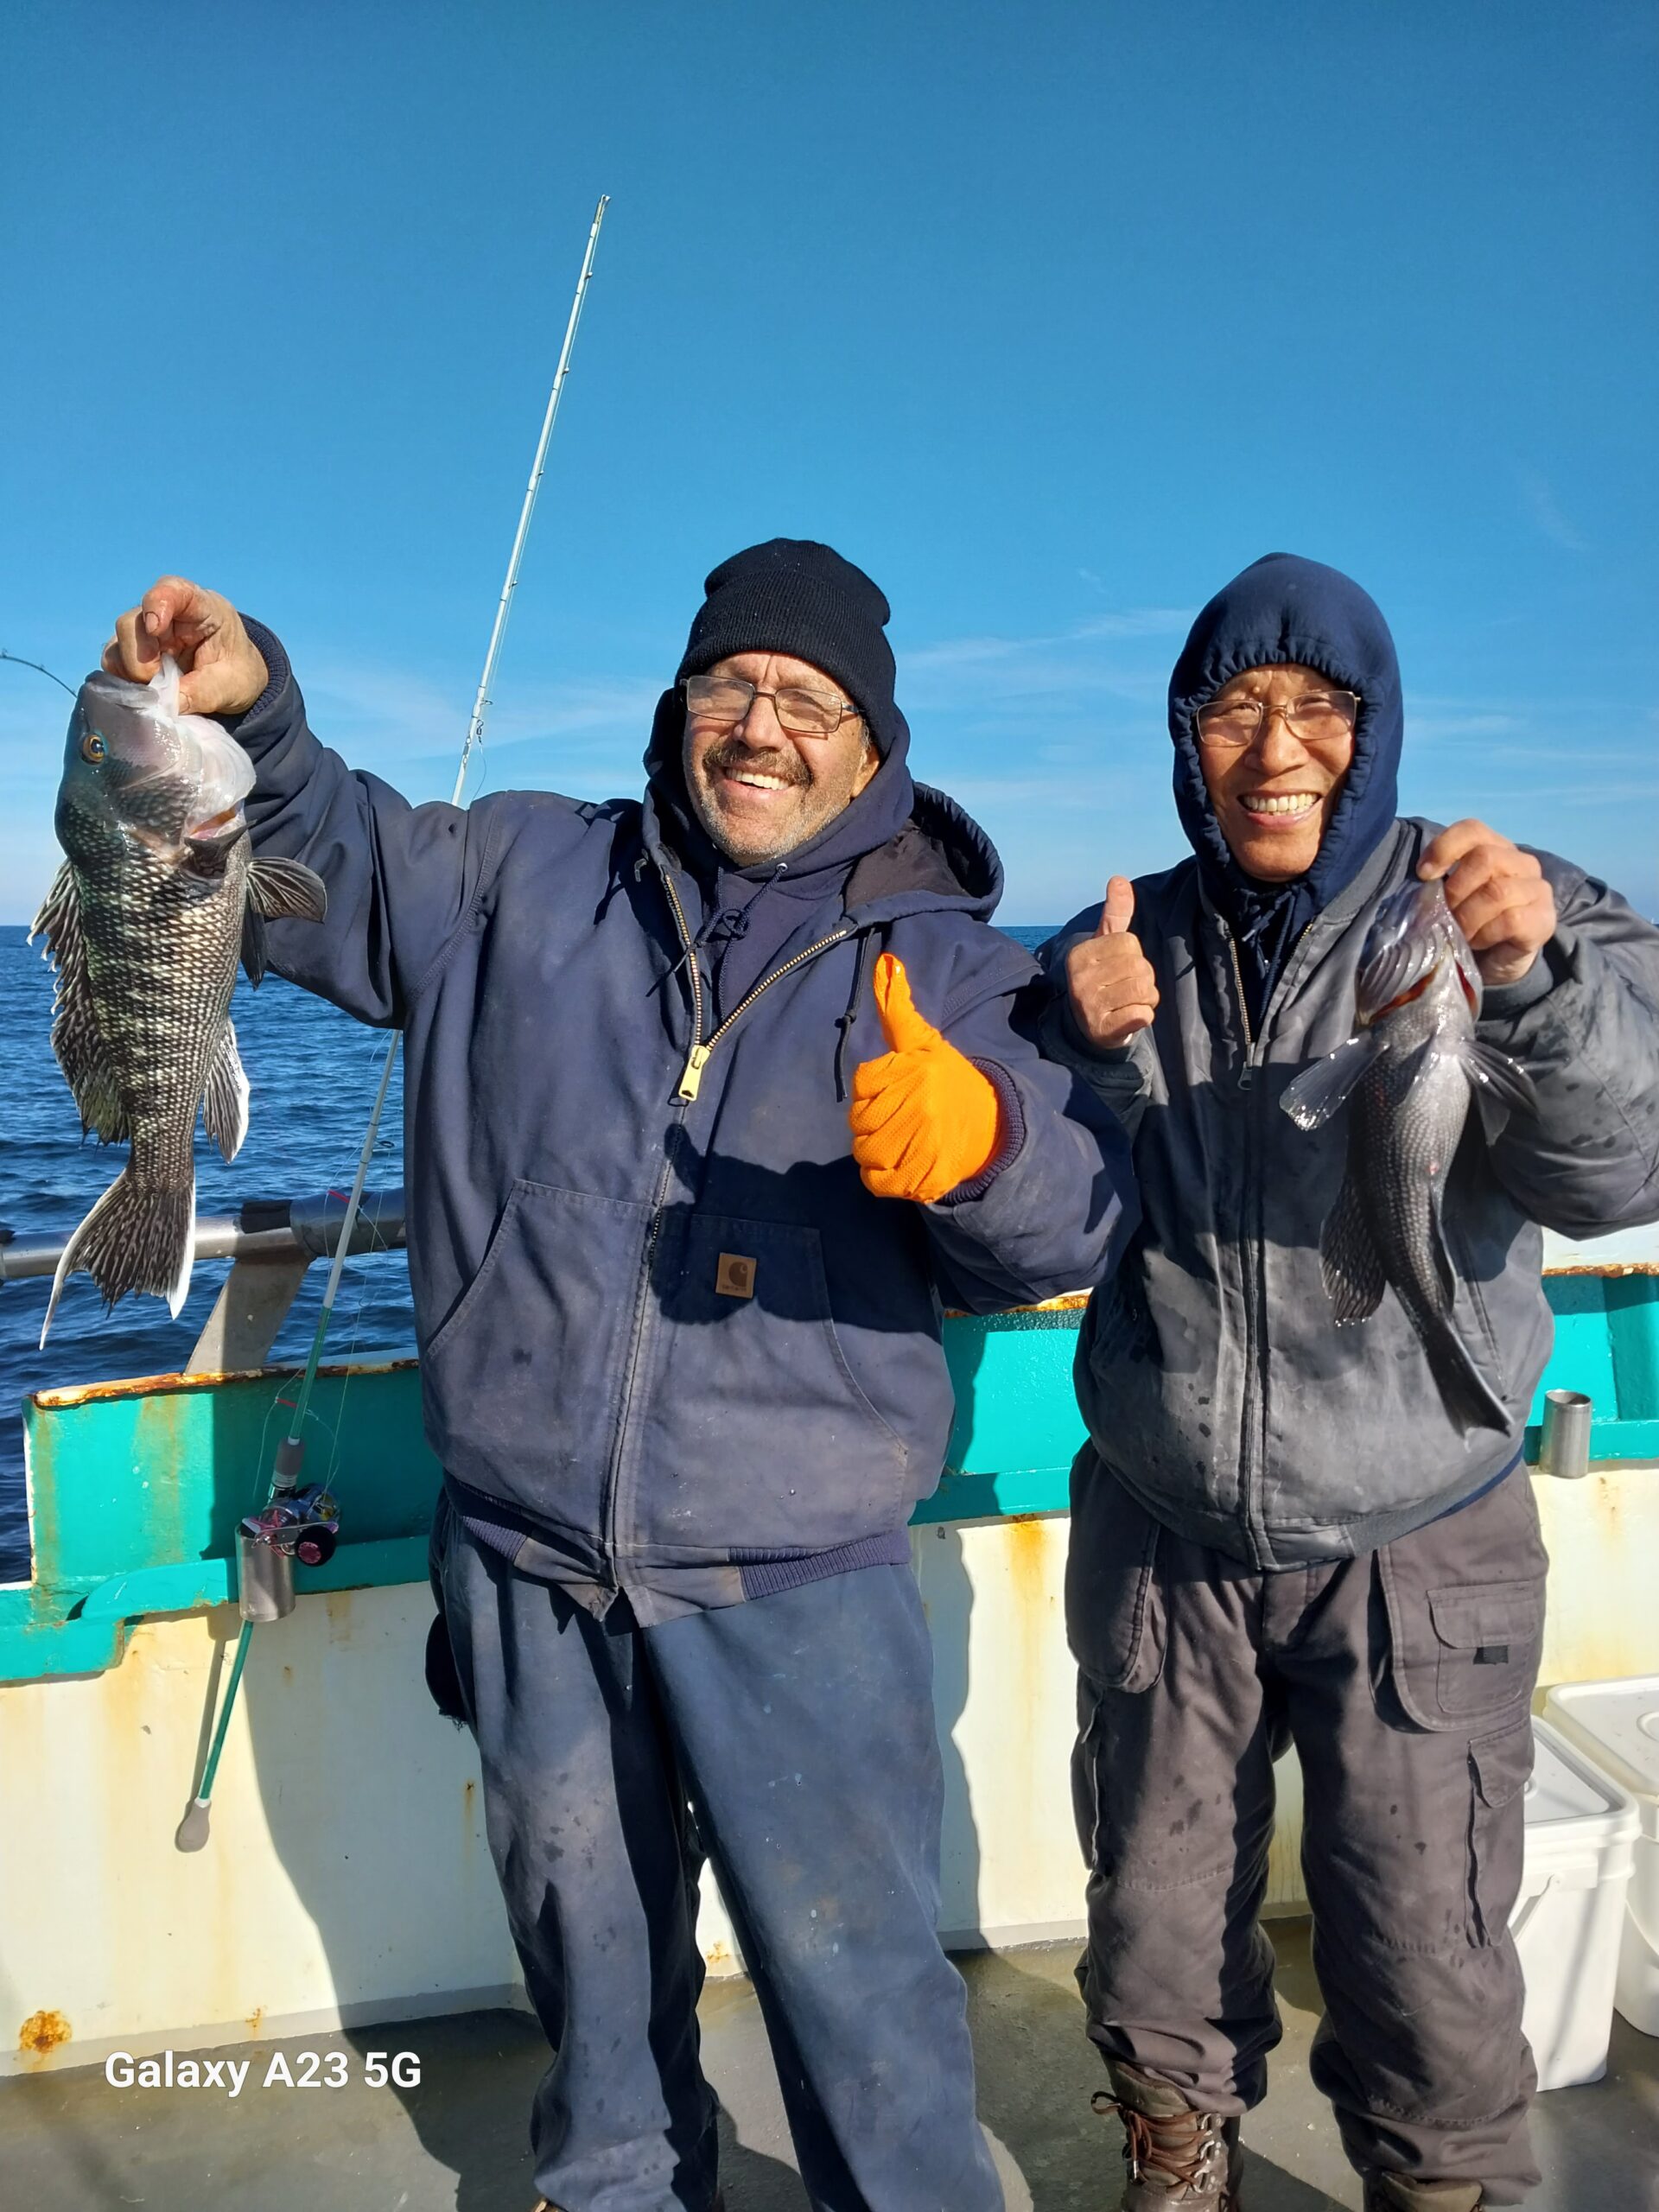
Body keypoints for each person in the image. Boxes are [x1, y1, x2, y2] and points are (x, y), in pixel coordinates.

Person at [104, 539, 1136, 2212]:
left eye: (809, 702)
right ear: (679, 707)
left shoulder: (952, 964)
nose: (762, 726)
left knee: (865, 2009)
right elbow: (317, 856)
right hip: (525, 1565)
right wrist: (253, 714)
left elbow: (1074, 1219)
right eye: (731, 685)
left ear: (875, 748)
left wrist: (987, 1139)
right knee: (592, 2014)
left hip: (798, 1584)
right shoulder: (518, 866)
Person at [1040, 552, 1659, 2212]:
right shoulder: (1120, 942)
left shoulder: (1514, 899)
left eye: (1319, 710)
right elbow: (1027, 1204)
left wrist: (1531, 985)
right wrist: (1084, 1060)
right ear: (1187, 738)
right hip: (1166, 1535)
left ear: (1376, 733)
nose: (1276, 747)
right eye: (1236, 709)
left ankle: (1444, 2190)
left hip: (1424, 1542)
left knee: (1430, 1964)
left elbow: (1621, 1176)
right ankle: (1179, 2156)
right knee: (1155, 1928)